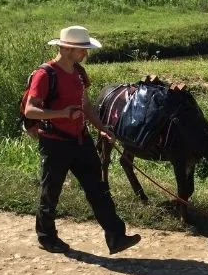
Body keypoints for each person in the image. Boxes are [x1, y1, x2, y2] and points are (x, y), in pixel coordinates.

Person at [24, 25, 141, 255]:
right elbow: (30, 111)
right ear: (67, 49)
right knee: (51, 191)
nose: (85, 54)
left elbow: (85, 104)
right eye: (82, 50)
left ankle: (116, 236)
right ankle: (47, 237)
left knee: (98, 189)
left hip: (80, 140)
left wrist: (102, 128)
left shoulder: (78, 72)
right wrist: (63, 113)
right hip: (55, 142)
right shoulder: (45, 74)